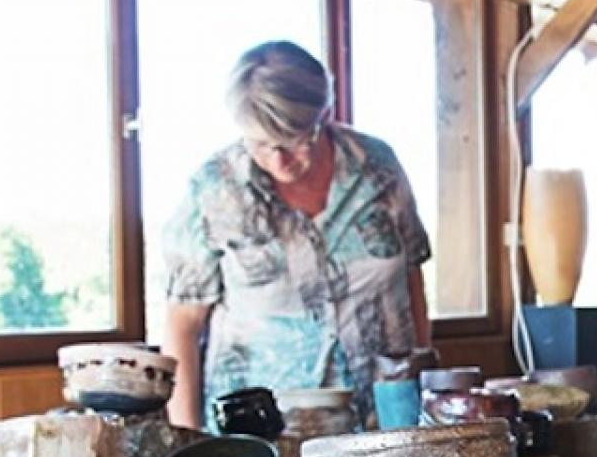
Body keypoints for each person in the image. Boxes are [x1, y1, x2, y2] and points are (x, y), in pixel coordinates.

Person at [160, 41, 433, 432]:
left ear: (323, 115)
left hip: (382, 423)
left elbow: (411, 280)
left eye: (293, 143)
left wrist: (415, 387)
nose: (279, 161)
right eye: (260, 145)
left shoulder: (378, 169)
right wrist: (186, 443)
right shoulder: (214, 189)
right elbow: (183, 324)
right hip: (260, 438)